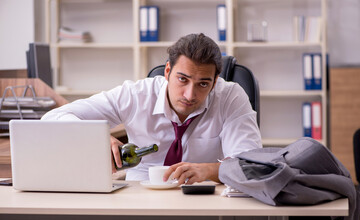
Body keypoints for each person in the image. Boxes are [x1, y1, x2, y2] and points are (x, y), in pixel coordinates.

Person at [41, 33, 262, 184]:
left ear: (214, 83)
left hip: (202, 195)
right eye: (182, 79)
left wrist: (209, 170)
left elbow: (251, 164)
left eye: (203, 84)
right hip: (139, 198)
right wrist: (93, 137)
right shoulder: (135, 95)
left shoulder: (230, 96)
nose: (190, 94)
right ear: (167, 71)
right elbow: (54, 117)